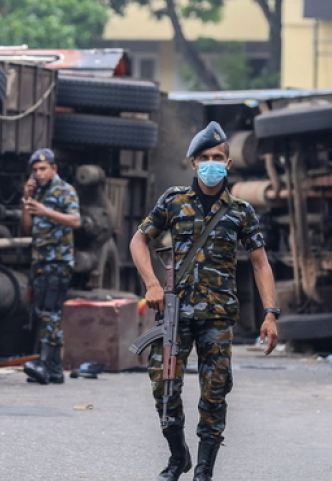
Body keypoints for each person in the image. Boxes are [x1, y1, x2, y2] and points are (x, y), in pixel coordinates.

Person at [129, 122, 280, 481]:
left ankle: (204, 471)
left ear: (228, 164)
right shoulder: (174, 200)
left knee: (214, 394)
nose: (211, 163)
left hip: (217, 316)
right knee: (164, 388)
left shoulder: (241, 211)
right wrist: (151, 283)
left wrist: (270, 314)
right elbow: (138, 241)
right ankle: (178, 456)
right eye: (204, 157)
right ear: (193, 163)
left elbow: (260, 263)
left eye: (218, 157)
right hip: (175, 314)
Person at [20, 147, 81, 384]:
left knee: (51, 314)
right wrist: (27, 200)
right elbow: (27, 227)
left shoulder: (65, 190)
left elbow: (75, 220)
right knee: (43, 313)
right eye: (35, 170)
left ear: (54, 169)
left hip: (58, 261)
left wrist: (46, 211)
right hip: (40, 261)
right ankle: (53, 369)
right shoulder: (38, 193)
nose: (39, 174)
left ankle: (48, 365)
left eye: (43, 169)